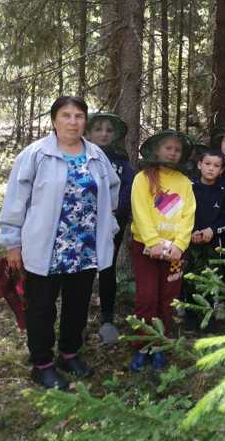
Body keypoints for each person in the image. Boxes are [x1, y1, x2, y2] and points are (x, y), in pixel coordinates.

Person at [0, 96, 120, 390]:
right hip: (46, 247)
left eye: (79, 116)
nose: (73, 121)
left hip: (85, 247)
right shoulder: (36, 155)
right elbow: (16, 201)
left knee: (77, 305)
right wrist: (13, 243)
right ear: (54, 120)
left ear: (84, 122)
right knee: (41, 308)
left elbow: (111, 191)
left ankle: (69, 353)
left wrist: (109, 225)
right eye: (66, 115)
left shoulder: (96, 156)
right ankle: (42, 364)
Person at [129, 130, 196, 372]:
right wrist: (152, 242)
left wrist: (179, 245)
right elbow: (140, 212)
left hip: (175, 252)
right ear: (156, 150)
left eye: (177, 149)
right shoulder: (142, 178)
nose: (173, 152)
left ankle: (160, 345)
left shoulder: (184, 182)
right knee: (147, 297)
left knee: (168, 299)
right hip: (145, 247)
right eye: (168, 147)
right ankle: (141, 345)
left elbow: (188, 215)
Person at [85, 112, 136, 344]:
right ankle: (76, 318)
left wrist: (117, 213)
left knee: (107, 268)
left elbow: (127, 189)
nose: (104, 134)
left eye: (108, 130)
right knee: (81, 272)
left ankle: (107, 318)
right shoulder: (80, 155)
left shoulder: (121, 162)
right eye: (98, 129)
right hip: (82, 224)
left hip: (113, 224)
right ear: (88, 132)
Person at [183, 148, 225, 326]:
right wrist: (192, 231)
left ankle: (208, 320)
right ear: (199, 165)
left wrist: (213, 230)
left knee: (210, 279)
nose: (211, 168)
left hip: (213, 244)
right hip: (189, 241)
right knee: (189, 278)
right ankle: (188, 318)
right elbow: (180, 212)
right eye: (208, 164)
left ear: (222, 170)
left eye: (216, 165)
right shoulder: (189, 187)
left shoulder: (224, 191)